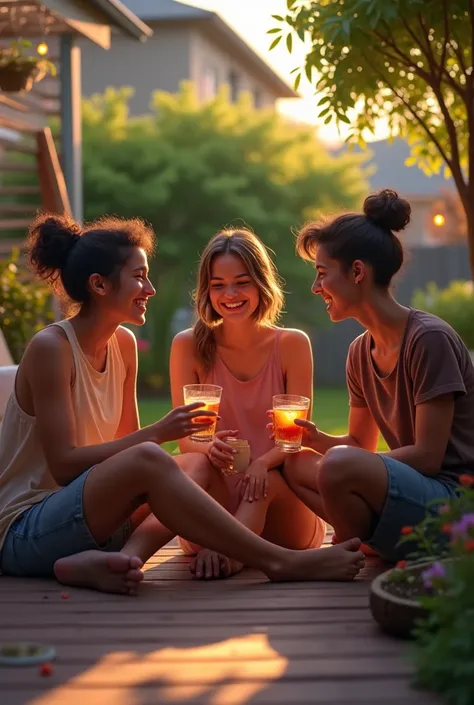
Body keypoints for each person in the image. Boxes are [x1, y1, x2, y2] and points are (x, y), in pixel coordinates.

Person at [0, 214, 365, 594]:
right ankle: (281, 562)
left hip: (97, 524)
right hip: (29, 530)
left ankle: (123, 561)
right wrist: (160, 433)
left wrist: (171, 449)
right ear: (99, 285)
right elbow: (64, 467)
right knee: (155, 457)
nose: (151, 289)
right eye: (140, 276)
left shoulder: (123, 344)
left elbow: (126, 457)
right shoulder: (51, 348)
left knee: (186, 463)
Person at [283, 189, 474, 563]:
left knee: (336, 465)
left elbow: (428, 457)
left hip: (456, 500)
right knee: (294, 463)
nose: (315, 287)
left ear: (357, 272)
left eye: (322, 274)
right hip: (414, 492)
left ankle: (354, 545)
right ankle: (365, 543)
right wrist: (318, 440)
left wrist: (343, 461)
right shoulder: (359, 353)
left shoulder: (428, 339)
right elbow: (360, 441)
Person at [170, 228, 326, 580]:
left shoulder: (292, 345)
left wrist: (263, 464)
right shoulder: (187, 346)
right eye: (218, 284)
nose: (230, 294)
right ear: (206, 290)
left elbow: (295, 437)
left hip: (280, 513)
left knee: (265, 482)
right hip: (217, 506)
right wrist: (211, 447)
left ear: (261, 283)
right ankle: (230, 542)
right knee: (193, 466)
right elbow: (185, 439)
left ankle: (233, 553)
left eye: (242, 282)